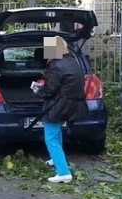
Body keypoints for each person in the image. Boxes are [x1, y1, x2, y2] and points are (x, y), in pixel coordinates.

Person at [32, 35, 83, 183]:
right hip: (71, 104)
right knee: (57, 131)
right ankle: (56, 159)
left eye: (49, 49)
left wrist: (37, 90)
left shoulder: (56, 66)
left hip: (59, 105)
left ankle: (63, 173)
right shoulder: (73, 61)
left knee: (50, 137)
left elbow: (49, 91)